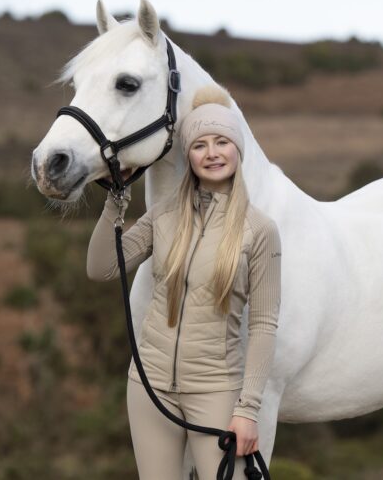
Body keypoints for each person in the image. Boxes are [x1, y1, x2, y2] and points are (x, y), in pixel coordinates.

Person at [86, 84, 281, 480]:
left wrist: (247, 411)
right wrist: (115, 202)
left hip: (215, 390)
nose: (211, 153)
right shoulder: (164, 216)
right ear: (188, 155)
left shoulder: (260, 230)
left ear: (237, 151)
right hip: (148, 387)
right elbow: (103, 266)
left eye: (222, 142)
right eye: (200, 145)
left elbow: (263, 325)